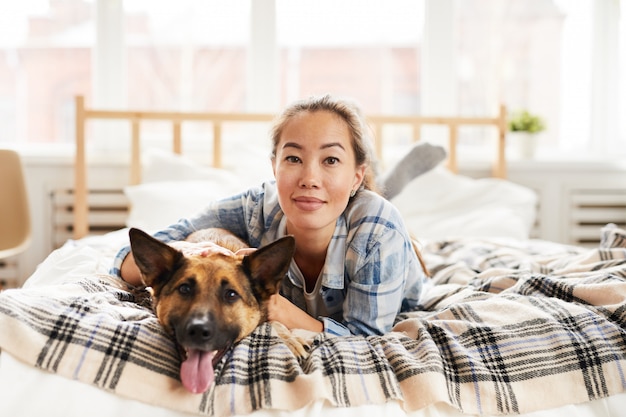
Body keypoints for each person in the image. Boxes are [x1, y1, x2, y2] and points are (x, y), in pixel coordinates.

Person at [112, 94, 427, 337]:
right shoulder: (257, 207)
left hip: (396, 272)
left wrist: (282, 310)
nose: (309, 178)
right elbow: (128, 259)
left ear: (357, 175)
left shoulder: (378, 232)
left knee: (375, 204)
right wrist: (197, 252)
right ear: (274, 166)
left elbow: (366, 339)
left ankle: (385, 182)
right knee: (332, 197)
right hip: (339, 202)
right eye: (293, 158)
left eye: (330, 159)